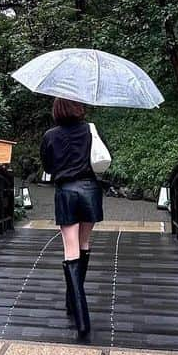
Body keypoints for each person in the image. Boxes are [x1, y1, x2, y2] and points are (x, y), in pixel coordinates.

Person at [39, 97, 105, 340]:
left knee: (70, 251)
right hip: (90, 190)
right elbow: (100, 158)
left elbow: (47, 166)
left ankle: (82, 319)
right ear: (77, 108)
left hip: (66, 192)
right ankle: (72, 302)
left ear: (57, 110)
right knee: (84, 245)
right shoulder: (90, 130)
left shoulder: (50, 136)